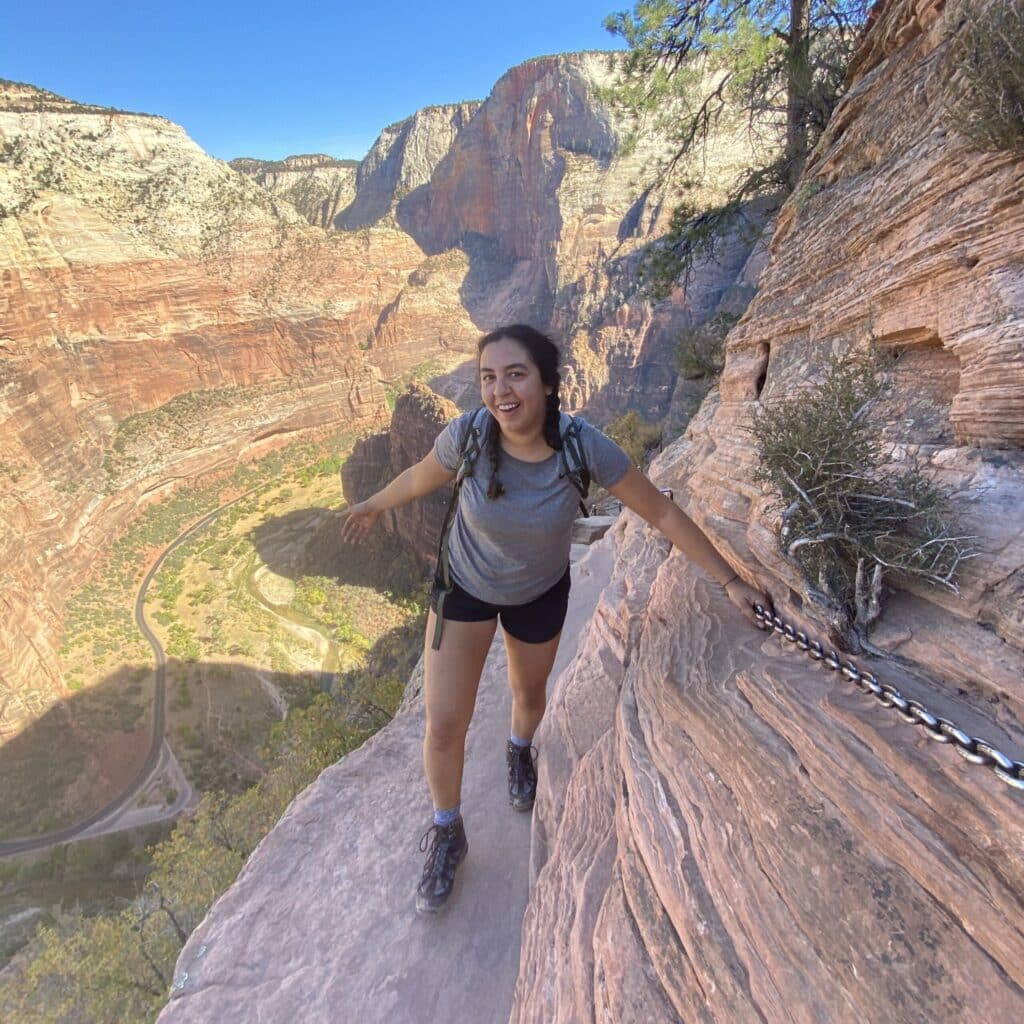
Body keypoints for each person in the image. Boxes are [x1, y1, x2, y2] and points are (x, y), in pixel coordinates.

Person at [340, 324, 763, 914]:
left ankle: (519, 749)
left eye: (515, 374)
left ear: (545, 381)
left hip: (538, 593)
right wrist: (372, 504)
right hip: (463, 588)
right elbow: (419, 476)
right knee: (442, 724)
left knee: (528, 692)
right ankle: (448, 829)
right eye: (489, 377)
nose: (500, 390)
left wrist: (731, 580)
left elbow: (661, 513)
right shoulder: (467, 434)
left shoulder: (580, 446)